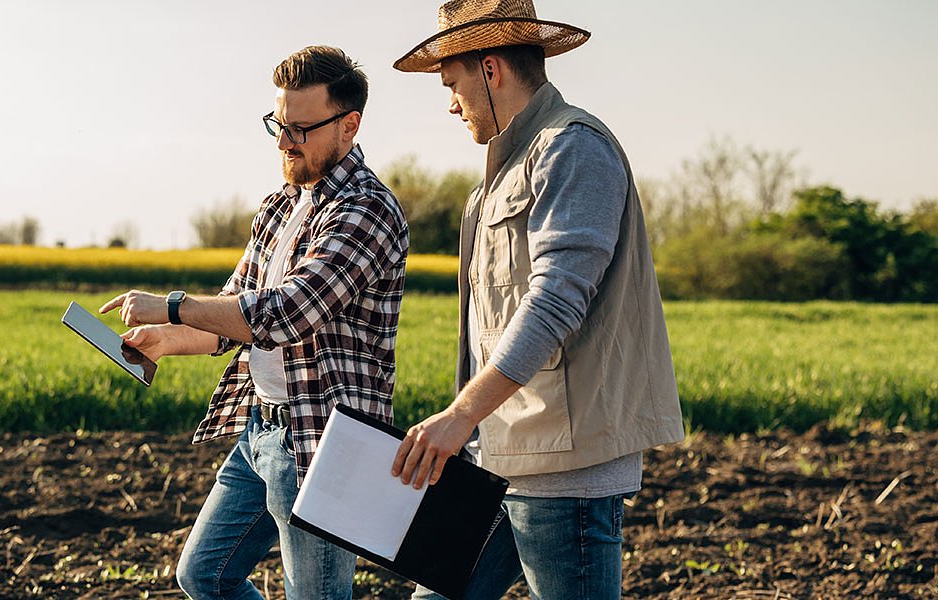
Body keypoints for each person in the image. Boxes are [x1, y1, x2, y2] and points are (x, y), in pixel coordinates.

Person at [387, 1, 686, 598]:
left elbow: (554, 301)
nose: (451, 103)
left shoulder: (571, 149)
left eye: (454, 85)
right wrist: (473, 430)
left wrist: (460, 414)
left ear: (490, 70)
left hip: (563, 470)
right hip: (502, 456)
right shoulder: (499, 176)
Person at [100, 45, 409, 600]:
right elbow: (232, 315)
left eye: (300, 129)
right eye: (279, 125)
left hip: (322, 441)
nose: (285, 141)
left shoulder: (368, 210)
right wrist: (163, 340)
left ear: (349, 125)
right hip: (260, 432)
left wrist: (171, 304)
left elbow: (290, 312)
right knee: (204, 575)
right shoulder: (278, 207)